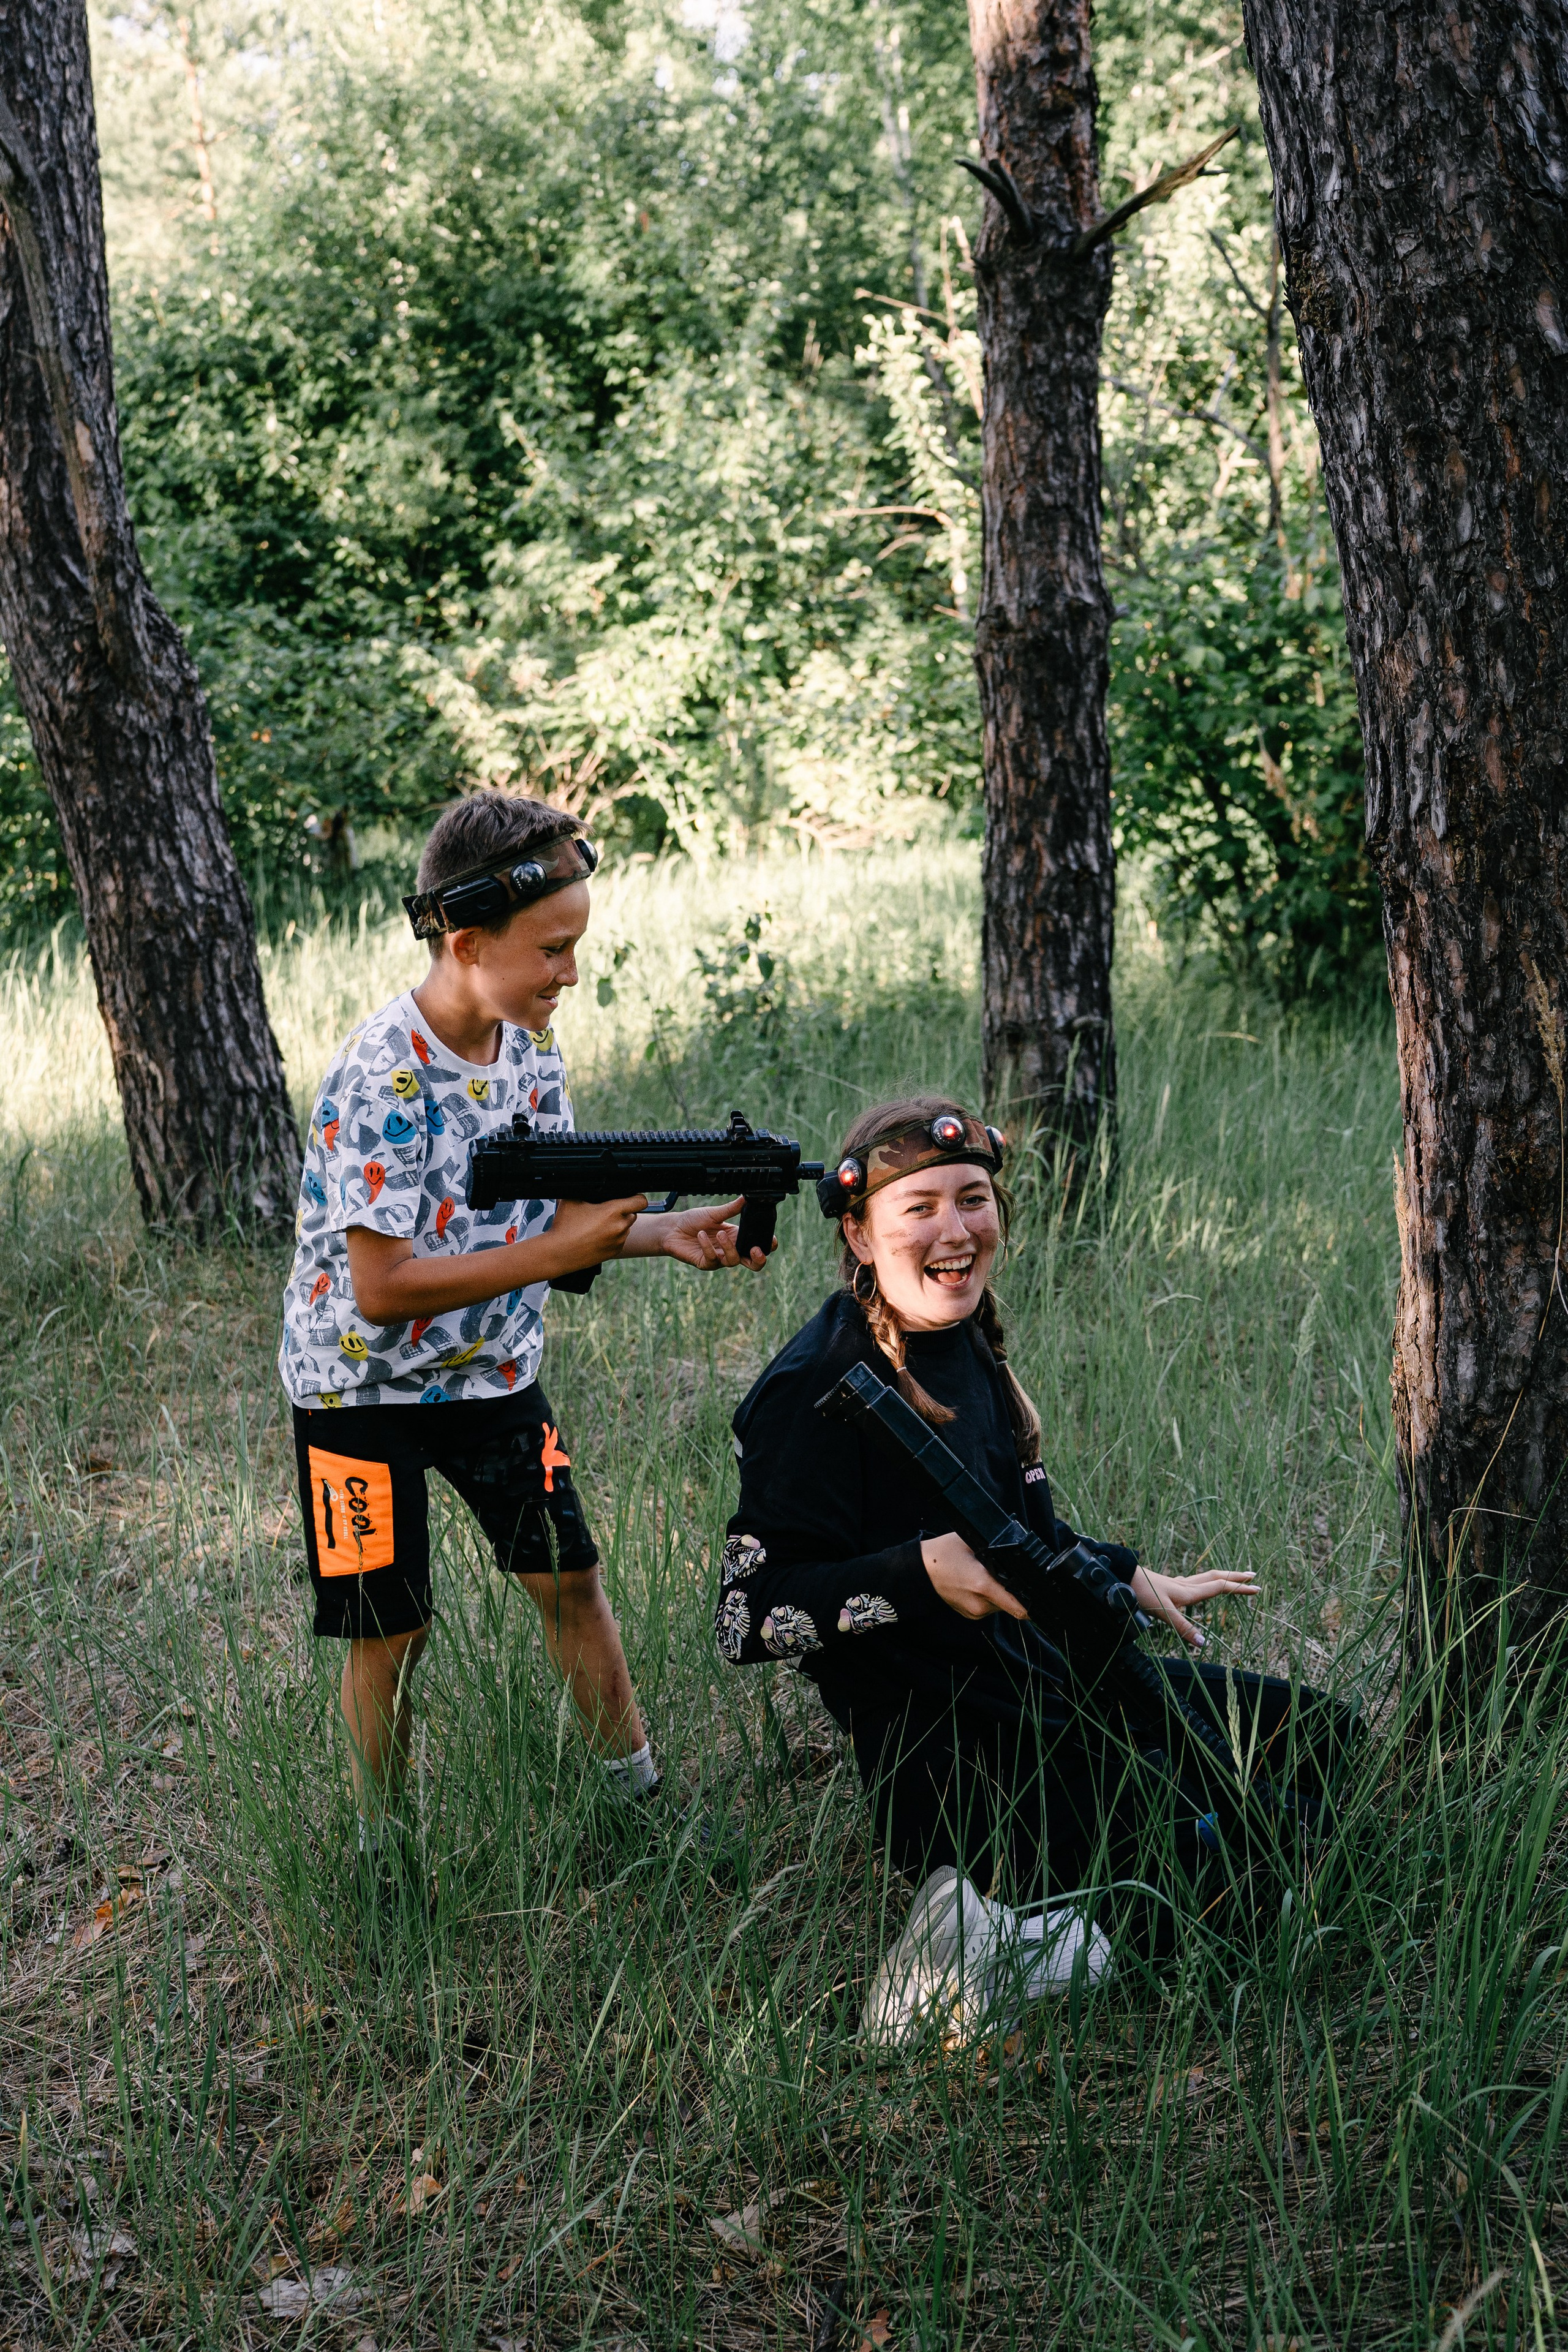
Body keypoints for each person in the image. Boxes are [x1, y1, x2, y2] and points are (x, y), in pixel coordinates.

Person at [713, 1094, 1347, 2046]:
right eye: (920, 1208)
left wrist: (1123, 1575)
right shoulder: (814, 1387)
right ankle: (968, 1958)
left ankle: (1020, 1923)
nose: (955, 1231)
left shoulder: (960, 1334)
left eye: (973, 1200)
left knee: (1324, 1745)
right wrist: (917, 1573)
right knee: (1252, 1878)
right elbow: (744, 1618)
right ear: (859, 1232)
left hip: (1052, 1686)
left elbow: (1012, 1531)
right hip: (958, 1760)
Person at [279, 789, 764, 1896]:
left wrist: (662, 1234)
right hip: (357, 1394)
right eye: (552, 950)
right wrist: (558, 1252)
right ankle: (383, 1857)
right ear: (466, 941)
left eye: (576, 946)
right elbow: (381, 1288)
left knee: (569, 1579)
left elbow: (555, 1222)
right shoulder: (383, 1074)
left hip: (497, 1377)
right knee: (388, 1630)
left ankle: (639, 1802)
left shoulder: (533, 1050)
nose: (571, 974)